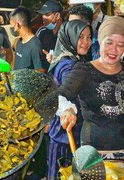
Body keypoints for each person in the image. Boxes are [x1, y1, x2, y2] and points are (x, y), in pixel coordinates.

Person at [56, 16, 124, 165]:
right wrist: (67, 110)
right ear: (100, 41)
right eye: (109, 42)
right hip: (97, 151)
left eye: (120, 45)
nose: (113, 50)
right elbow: (59, 97)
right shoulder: (84, 70)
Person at [47, 20, 92, 179]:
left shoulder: (66, 58)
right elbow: (64, 95)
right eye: (80, 37)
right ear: (70, 37)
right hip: (67, 135)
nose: (86, 42)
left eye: (89, 37)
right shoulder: (69, 65)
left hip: (60, 132)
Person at [9, 7, 47, 73]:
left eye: (12, 25)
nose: (11, 28)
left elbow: (41, 73)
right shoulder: (18, 41)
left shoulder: (35, 46)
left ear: (17, 25)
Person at [35, 0, 64, 70]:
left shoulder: (67, 32)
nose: (43, 17)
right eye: (42, 14)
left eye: (47, 14)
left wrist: (56, 59)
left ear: (57, 15)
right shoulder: (41, 32)